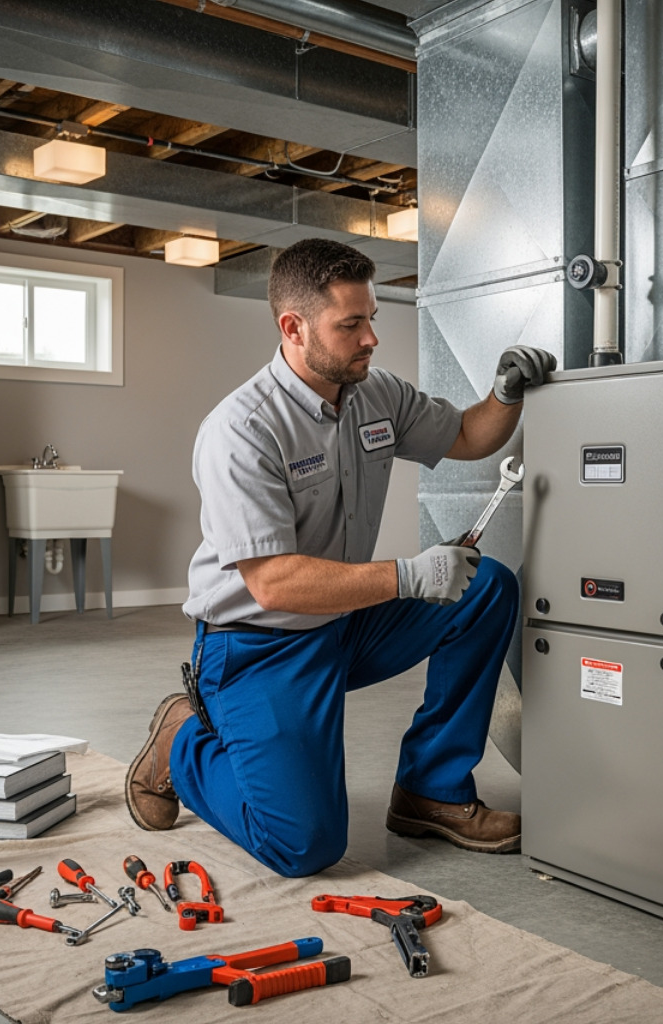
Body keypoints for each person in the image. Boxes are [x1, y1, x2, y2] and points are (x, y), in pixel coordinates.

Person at [124, 237, 554, 878]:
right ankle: (180, 741)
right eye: (350, 325)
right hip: (258, 645)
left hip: (344, 623)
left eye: (370, 318)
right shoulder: (243, 430)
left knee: (484, 587)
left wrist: (506, 394)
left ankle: (432, 788)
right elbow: (273, 583)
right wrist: (409, 576)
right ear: (293, 328)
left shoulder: (376, 396)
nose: (371, 338)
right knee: (303, 846)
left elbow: (468, 434)